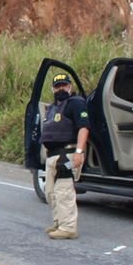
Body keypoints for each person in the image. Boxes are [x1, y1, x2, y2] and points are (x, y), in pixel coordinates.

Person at [41, 73, 90, 240]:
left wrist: (79, 152)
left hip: (68, 154)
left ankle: (68, 227)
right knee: (51, 193)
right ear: (52, 89)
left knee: (64, 191)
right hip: (53, 156)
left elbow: (84, 128)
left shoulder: (75, 104)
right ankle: (59, 222)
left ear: (70, 87)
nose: (61, 88)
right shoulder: (52, 107)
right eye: (57, 86)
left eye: (64, 85)